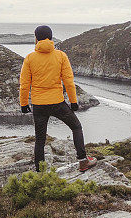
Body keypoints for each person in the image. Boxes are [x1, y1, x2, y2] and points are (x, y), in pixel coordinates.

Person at [19, 25, 97, 172]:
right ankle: (83, 161)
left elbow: (24, 84)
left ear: (36, 38)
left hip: (39, 105)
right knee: (76, 127)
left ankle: (40, 173)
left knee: (40, 140)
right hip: (57, 103)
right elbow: (68, 81)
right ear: (51, 37)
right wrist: (73, 102)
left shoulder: (30, 58)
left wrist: (24, 104)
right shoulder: (61, 56)